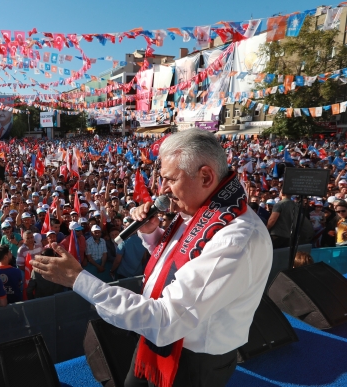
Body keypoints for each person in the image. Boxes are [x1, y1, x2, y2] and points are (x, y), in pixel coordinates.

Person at [31, 129, 272, 387]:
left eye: (170, 179)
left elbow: (166, 319)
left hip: (191, 362)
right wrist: (151, 233)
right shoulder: (205, 209)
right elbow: (182, 260)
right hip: (154, 341)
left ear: (205, 176)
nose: (162, 190)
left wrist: (78, 280)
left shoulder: (235, 238)